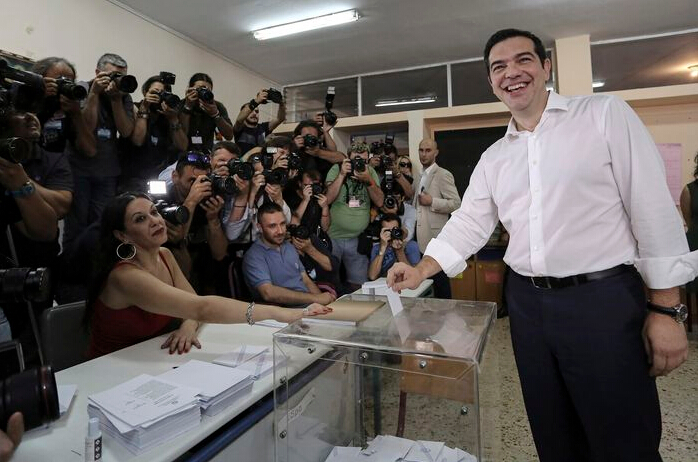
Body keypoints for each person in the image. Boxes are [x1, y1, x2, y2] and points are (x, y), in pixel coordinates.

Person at [388, 28, 692, 462]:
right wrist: (421, 269)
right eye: (499, 67)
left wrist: (666, 309)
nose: (511, 72)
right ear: (492, 82)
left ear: (546, 67)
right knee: (553, 432)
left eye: (523, 60)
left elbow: (652, 208)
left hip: (601, 301)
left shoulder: (603, 115)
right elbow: (469, 222)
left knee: (623, 436)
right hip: (528, 306)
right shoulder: (495, 157)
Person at [86, 193, 330, 358]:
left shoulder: (165, 255)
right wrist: (284, 314)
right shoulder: (124, 277)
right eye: (140, 219)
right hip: (112, 368)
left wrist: (188, 325)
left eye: (154, 212)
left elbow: (192, 307)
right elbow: (201, 307)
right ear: (122, 235)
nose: (155, 221)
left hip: (157, 356)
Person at [64, 53, 134, 248]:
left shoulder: (123, 96)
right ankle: (71, 264)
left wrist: (116, 100)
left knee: (101, 224)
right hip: (79, 169)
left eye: (121, 76)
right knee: (76, 225)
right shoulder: (82, 89)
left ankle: (96, 263)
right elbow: (86, 127)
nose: (116, 80)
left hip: (107, 171)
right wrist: (94, 94)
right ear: (97, 72)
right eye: (113, 75)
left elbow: (126, 131)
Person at [242, 202, 336, 307]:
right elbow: (268, 293)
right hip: (286, 311)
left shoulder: (288, 246)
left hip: (310, 306)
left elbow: (305, 280)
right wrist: (316, 299)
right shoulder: (254, 256)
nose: (280, 231)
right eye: (272, 226)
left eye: (282, 224)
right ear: (260, 227)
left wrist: (323, 303)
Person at [325, 142, 384, 289]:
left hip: (357, 238)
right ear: (348, 159)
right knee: (330, 282)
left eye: (363, 160)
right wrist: (342, 175)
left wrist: (368, 180)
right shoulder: (337, 168)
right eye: (356, 160)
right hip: (333, 236)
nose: (359, 164)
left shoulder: (369, 171)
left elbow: (380, 201)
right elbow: (327, 199)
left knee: (359, 284)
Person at [412, 138, 460, 298]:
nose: (424, 154)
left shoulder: (443, 174)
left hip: (436, 238)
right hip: (419, 238)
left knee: (441, 283)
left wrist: (432, 201)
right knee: (425, 285)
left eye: (428, 150)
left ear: (436, 153)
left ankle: (446, 312)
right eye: (421, 150)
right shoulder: (419, 175)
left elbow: (456, 203)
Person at [122, 74, 188, 190]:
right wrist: (144, 108)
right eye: (155, 92)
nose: (159, 96)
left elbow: (183, 146)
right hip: (133, 175)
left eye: (163, 93)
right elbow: (138, 141)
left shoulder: (168, 116)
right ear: (145, 92)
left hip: (159, 176)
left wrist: (173, 119)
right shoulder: (135, 108)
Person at [31, 57, 95, 157]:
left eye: (69, 81)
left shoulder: (70, 108)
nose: (65, 85)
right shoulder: (24, 101)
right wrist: (38, 97)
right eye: (60, 80)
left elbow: (90, 150)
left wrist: (76, 114)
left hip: (55, 163)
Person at [179, 73, 233, 152]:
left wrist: (215, 114)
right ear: (190, 89)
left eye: (207, 90)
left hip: (206, 152)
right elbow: (180, 134)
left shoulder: (217, 106)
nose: (203, 92)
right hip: (183, 152)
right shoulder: (181, 104)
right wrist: (187, 107)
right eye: (200, 89)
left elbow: (229, 136)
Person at [233, 89, 286, 156]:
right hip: (244, 161)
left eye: (257, 111)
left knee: (282, 150)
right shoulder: (240, 128)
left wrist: (281, 103)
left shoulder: (264, 127)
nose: (254, 114)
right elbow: (239, 120)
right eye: (251, 111)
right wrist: (257, 101)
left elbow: (280, 119)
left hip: (261, 161)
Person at [368, 214, 420, 280]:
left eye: (394, 230)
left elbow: (414, 275)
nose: (392, 234)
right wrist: (382, 248)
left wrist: (399, 251)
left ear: (400, 230)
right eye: (387, 231)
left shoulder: (411, 246)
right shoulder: (377, 248)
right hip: (384, 284)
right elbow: (372, 276)